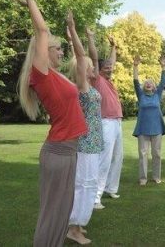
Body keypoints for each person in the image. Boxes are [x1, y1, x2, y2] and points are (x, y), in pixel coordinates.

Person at [10, 0, 87, 247]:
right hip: (59, 151)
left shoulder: (54, 76)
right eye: (58, 49)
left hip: (68, 150)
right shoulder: (40, 75)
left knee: (62, 213)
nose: (61, 51)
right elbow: (42, 32)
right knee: (52, 214)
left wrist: (30, 7)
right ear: (45, 53)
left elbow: (41, 33)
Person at [66, 19, 104, 245]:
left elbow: (93, 57)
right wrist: (72, 29)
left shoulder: (92, 83)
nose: (92, 67)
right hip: (85, 142)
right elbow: (81, 58)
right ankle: (73, 227)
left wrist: (90, 37)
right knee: (84, 184)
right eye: (89, 66)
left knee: (88, 183)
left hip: (94, 142)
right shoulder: (82, 86)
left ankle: (78, 224)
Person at [88, 32, 123, 209]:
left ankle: (111, 188)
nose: (110, 68)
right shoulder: (97, 79)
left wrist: (113, 47)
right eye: (106, 67)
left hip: (117, 122)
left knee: (117, 157)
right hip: (106, 122)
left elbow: (112, 61)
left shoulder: (108, 80)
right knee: (104, 159)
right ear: (99, 70)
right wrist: (91, 39)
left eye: (110, 67)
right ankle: (95, 197)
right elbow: (94, 58)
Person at [133, 55, 165, 186]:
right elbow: (136, 81)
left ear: (154, 87)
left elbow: (163, 81)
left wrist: (163, 66)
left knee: (157, 154)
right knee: (143, 154)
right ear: (144, 86)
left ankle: (156, 176)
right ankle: (143, 179)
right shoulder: (140, 95)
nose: (148, 83)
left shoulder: (157, 95)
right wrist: (135, 66)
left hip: (157, 129)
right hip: (143, 129)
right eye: (146, 82)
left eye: (151, 83)